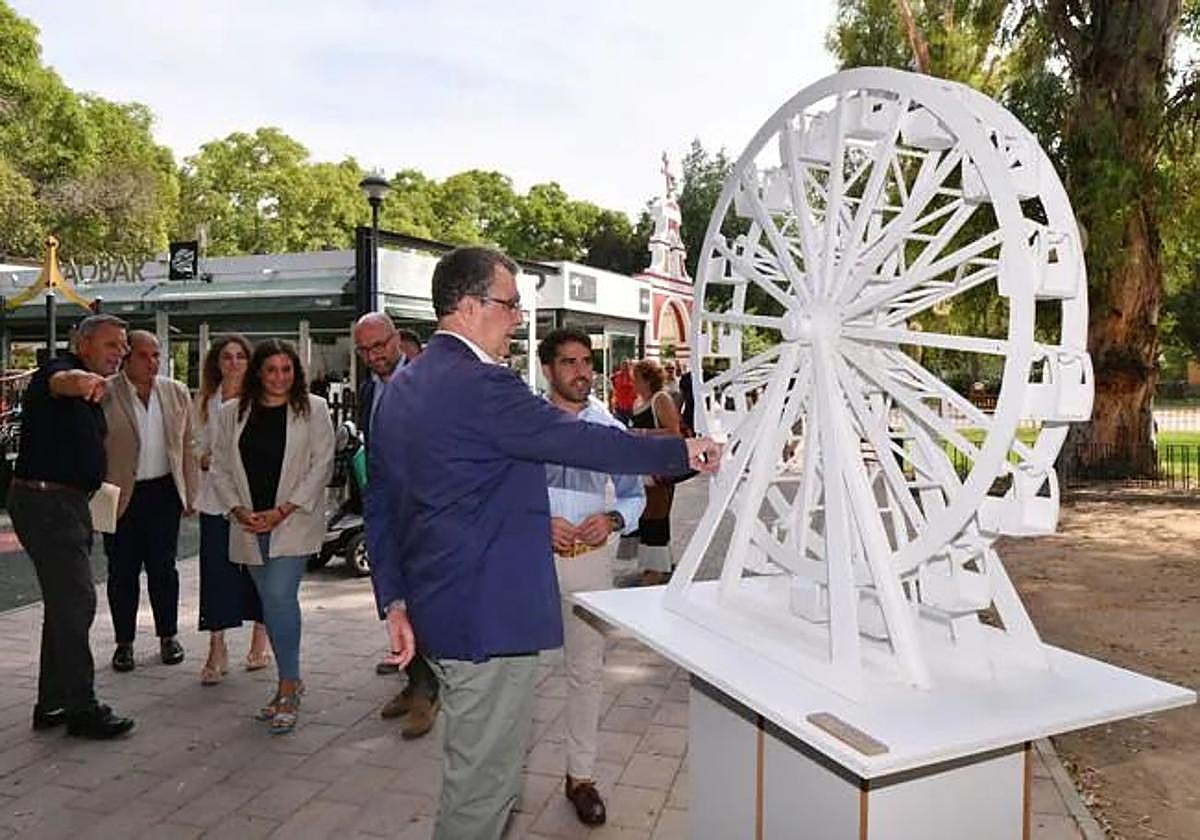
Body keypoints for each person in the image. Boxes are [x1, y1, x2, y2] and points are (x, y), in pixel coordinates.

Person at [366, 246, 721, 840]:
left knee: (470, 773)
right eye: (509, 305)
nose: (518, 319)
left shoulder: (404, 385)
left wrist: (394, 599)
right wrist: (682, 449)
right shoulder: (480, 384)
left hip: (439, 609)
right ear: (470, 306)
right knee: (484, 791)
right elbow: (579, 441)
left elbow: (384, 504)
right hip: (487, 623)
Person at [9, 314, 135, 738]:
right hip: (46, 503)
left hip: (69, 504)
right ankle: (82, 708)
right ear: (82, 345)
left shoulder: (99, 386)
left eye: (123, 347)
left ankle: (52, 703)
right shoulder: (57, 373)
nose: (121, 353)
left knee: (66, 606)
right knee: (77, 602)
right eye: (111, 345)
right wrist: (83, 382)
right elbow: (63, 381)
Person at [539, 328, 646, 826]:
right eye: (569, 362)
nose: (581, 371)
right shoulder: (525, 423)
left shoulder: (608, 427)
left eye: (586, 361)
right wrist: (535, 520)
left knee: (585, 669)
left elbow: (633, 495)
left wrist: (614, 519)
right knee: (515, 672)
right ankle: (500, 779)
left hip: (589, 560)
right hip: (525, 559)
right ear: (547, 370)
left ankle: (580, 776)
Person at [211, 339, 334, 735]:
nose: (280, 378)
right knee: (272, 605)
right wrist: (238, 510)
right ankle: (291, 680)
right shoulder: (233, 413)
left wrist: (282, 511)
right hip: (248, 524)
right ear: (258, 374)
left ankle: (287, 685)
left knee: (280, 598)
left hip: (292, 522)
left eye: (287, 370)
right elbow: (220, 468)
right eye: (271, 370)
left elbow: (322, 466)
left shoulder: (313, 409)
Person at [353, 312, 439, 739]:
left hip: (422, 511)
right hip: (385, 506)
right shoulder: (370, 391)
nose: (374, 357)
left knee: (420, 599)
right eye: (365, 351)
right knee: (393, 595)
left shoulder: (425, 385)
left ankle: (427, 691)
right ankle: (414, 680)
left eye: (380, 347)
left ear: (397, 340)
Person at [101, 331, 199, 672]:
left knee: (164, 569)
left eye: (156, 355)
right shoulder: (106, 392)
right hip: (118, 496)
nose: (152, 362)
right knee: (121, 572)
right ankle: (124, 643)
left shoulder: (174, 391)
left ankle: (168, 636)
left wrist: (190, 492)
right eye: (144, 355)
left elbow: (187, 445)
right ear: (127, 358)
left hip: (163, 493)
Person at [192, 334, 270, 685]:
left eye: (240, 356)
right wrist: (205, 457)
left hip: (255, 500)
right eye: (227, 357)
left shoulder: (262, 400)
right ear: (217, 363)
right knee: (216, 572)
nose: (234, 362)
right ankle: (217, 645)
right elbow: (197, 444)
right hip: (215, 500)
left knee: (257, 568)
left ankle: (259, 638)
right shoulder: (206, 400)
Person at [625, 359, 685, 587]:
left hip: (660, 466)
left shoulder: (660, 399)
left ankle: (656, 569)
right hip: (646, 465)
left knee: (655, 516)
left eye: (636, 379)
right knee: (649, 516)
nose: (633, 384)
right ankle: (659, 563)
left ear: (646, 379)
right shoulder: (641, 401)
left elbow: (674, 432)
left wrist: (641, 432)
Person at [609, 358, 636, 426]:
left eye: (627, 365)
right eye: (623, 365)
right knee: (620, 427)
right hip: (619, 408)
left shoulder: (635, 377)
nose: (625, 367)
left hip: (632, 408)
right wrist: (610, 407)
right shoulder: (615, 377)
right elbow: (611, 391)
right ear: (620, 366)